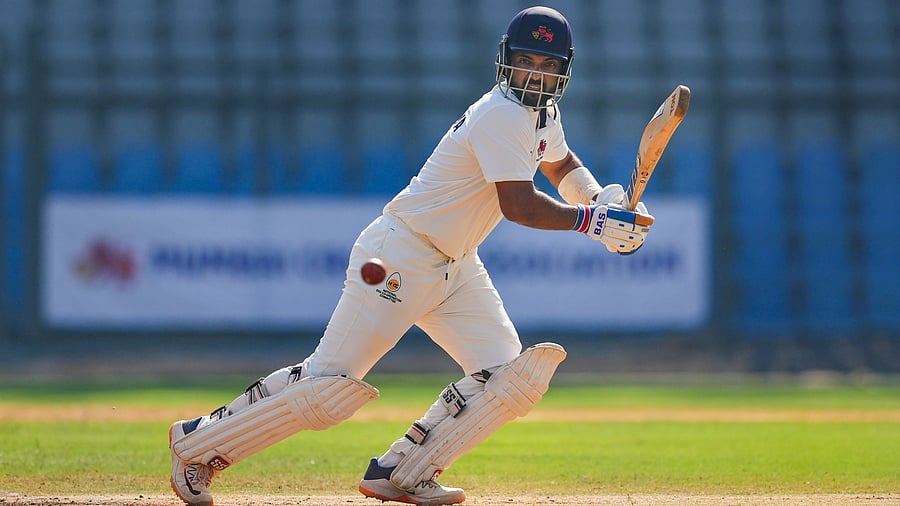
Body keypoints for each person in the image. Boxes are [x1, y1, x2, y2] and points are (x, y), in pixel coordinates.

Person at [168, 6, 653, 506]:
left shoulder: (542, 115)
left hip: (456, 265)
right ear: (506, 59)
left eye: (547, 65)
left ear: (563, 71)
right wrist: (596, 223)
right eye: (526, 61)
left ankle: (402, 470)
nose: (535, 74)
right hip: (401, 254)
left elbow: (560, 163)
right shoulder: (502, 114)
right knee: (328, 387)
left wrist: (598, 198)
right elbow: (519, 205)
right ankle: (198, 444)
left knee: (508, 378)